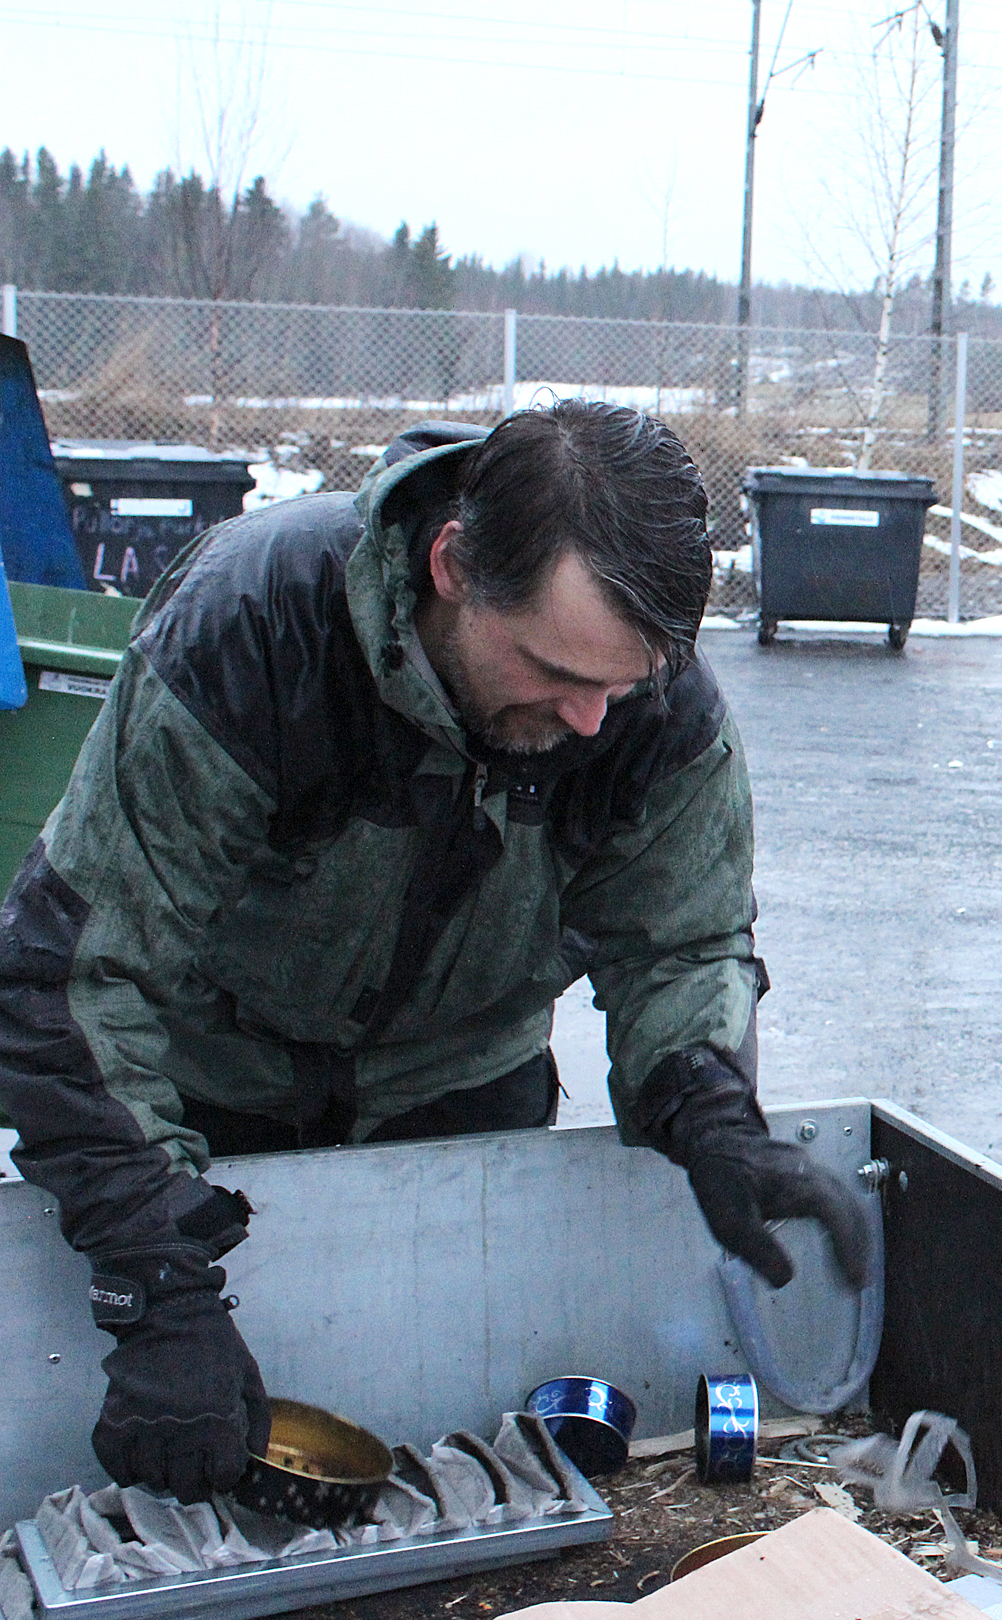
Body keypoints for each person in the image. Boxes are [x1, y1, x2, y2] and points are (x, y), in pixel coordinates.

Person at [0, 401, 872, 1506]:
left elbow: (681, 940)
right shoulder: (257, 622)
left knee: (448, 1456)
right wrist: (152, 1287)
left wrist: (711, 1109)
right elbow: (76, 970)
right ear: (453, 562)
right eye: (558, 670)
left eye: (623, 682)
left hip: (464, 1104)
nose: (596, 718)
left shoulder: (642, 700)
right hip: (199, 1106)